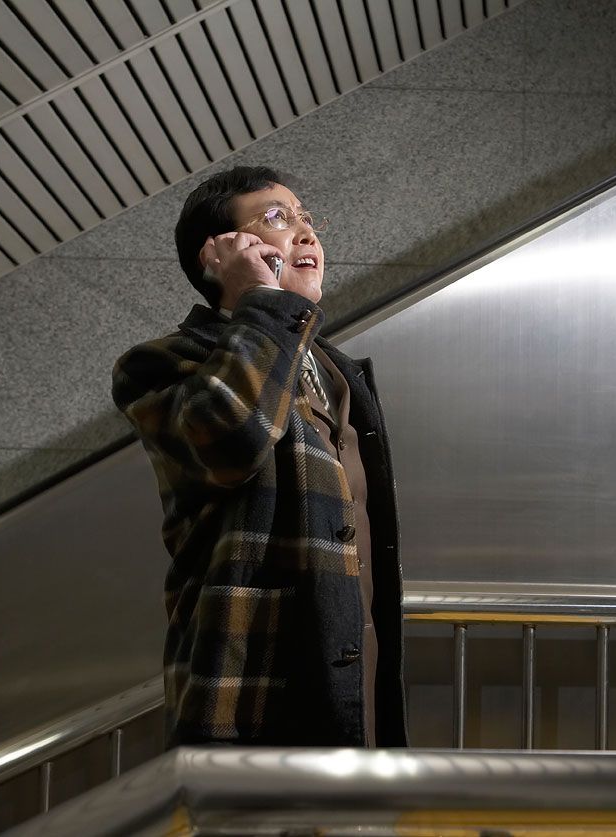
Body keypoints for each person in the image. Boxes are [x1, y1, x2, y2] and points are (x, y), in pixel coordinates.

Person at [111, 166, 407, 748]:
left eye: (306, 220)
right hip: (247, 679)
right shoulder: (163, 363)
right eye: (275, 220)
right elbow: (228, 440)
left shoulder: (334, 369)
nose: (304, 234)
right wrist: (263, 303)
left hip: (351, 668)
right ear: (222, 251)